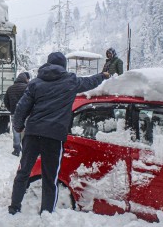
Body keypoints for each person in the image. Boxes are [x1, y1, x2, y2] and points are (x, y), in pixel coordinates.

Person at [8, 52, 110, 215]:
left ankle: (14, 207)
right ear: (63, 66)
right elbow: (90, 82)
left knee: (23, 172)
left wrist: (18, 126)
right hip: (53, 137)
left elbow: (21, 107)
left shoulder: (35, 83)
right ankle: (46, 213)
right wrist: (103, 75)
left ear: (48, 64)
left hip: (33, 134)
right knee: (50, 177)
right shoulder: (70, 81)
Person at [3, 71, 30, 156]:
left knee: (16, 132)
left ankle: (16, 149)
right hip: (27, 113)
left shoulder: (10, 88)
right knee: (26, 131)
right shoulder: (27, 87)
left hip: (15, 113)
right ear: (26, 79)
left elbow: (5, 101)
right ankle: (26, 149)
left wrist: (11, 109)